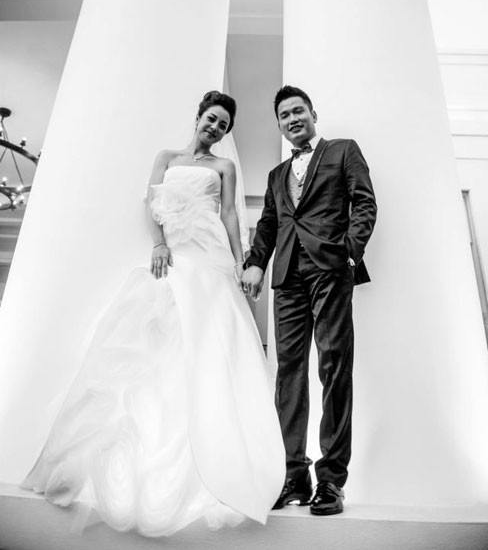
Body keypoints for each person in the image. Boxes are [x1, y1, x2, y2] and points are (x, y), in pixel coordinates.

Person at [21, 91, 285, 537]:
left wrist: (241, 264)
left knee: (211, 341)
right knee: (156, 341)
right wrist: (159, 244)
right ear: (198, 117)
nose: (216, 128)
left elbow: (228, 215)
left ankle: (218, 452)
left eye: (223, 125)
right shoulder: (166, 157)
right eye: (212, 119)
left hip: (210, 256)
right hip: (177, 254)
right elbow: (151, 205)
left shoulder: (225, 166)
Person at [241, 85, 377, 516]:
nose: (292, 119)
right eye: (284, 115)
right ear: (279, 125)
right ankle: (293, 476)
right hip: (287, 278)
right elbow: (268, 224)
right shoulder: (276, 175)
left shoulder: (342, 150)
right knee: (289, 374)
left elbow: (364, 203)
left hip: (329, 270)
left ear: (313, 114)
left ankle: (331, 481)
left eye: (298, 111)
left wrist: (348, 252)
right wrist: (256, 263)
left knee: (334, 366)